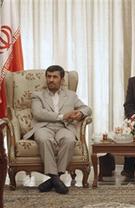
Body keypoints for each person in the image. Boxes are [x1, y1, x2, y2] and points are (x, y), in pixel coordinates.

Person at [23, 65, 92, 194]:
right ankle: (56, 179)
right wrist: (61, 116)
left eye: (55, 77)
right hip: (44, 126)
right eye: (49, 76)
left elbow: (87, 108)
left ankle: (53, 179)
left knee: (69, 140)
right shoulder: (37, 95)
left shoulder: (71, 95)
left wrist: (80, 114)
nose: (51, 80)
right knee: (44, 139)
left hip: (64, 127)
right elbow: (38, 113)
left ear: (62, 80)